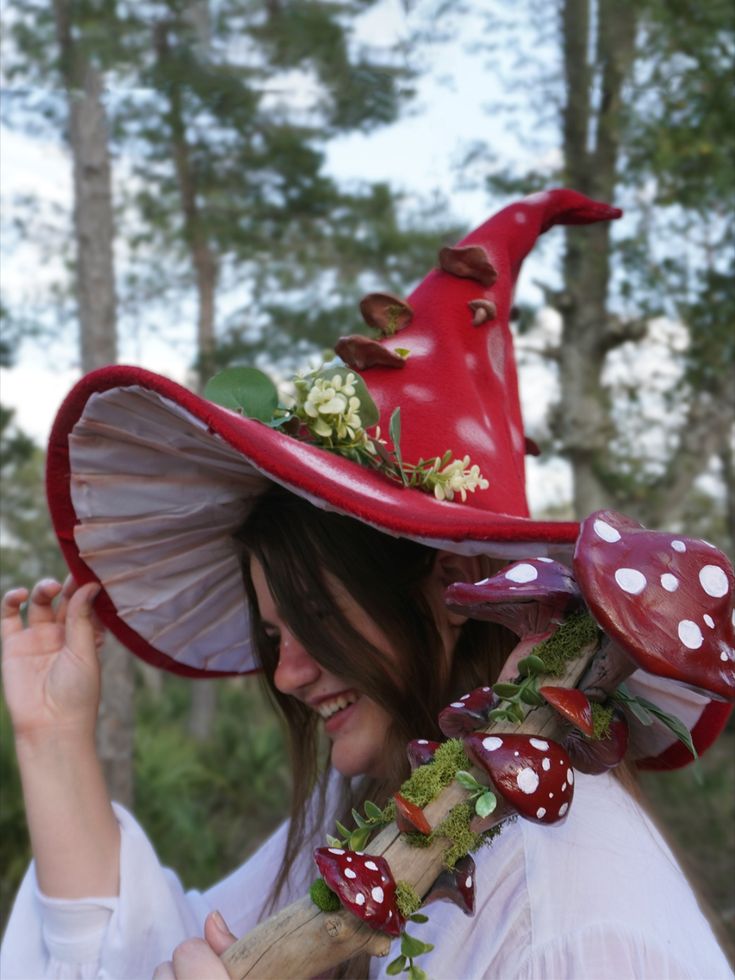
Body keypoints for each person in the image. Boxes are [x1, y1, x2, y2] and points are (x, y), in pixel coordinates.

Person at [1, 189, 733, 980]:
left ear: (452, 583)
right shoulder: (387, 805)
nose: (284, 672)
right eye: (274, 634)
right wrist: (53, 736)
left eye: (313, 615)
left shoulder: (573, 913)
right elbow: (166, 950)